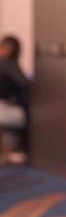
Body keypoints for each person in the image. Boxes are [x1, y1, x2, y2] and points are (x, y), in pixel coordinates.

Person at [0, 35, 30, 164]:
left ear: (7, 49)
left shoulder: (6, 64)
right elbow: (25, 84)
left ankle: (8, 153)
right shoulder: (9, 65)